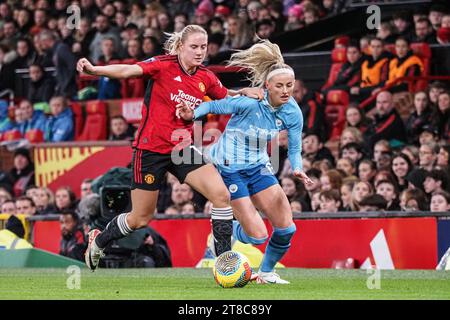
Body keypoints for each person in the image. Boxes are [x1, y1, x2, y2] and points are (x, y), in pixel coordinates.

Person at [77, 25, 263, 271]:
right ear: (180, 47)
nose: (199, 52)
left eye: (203, 47)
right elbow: (127, 70)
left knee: (221, 196)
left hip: (181, 149)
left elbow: (223, 95)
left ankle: (223, 263)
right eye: (194, 47)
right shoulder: (163, 65)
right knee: (140, 218)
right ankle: (100, 239)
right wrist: (94, 70)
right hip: (150, 149)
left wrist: (243, 92)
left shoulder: (205, 77)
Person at [176, 39, 313, 284]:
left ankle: (267, 273)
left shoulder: (293, 112)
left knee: (286, 227)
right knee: (258, 236)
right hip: (229, 169)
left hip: (258, 166)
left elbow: (294, 147)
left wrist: (299, 168)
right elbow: (217, 104)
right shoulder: (249, 102)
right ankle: (226, 233)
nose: (285, 91)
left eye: (289, 86)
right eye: (279, 86)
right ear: (267, 86)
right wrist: (192, 113)